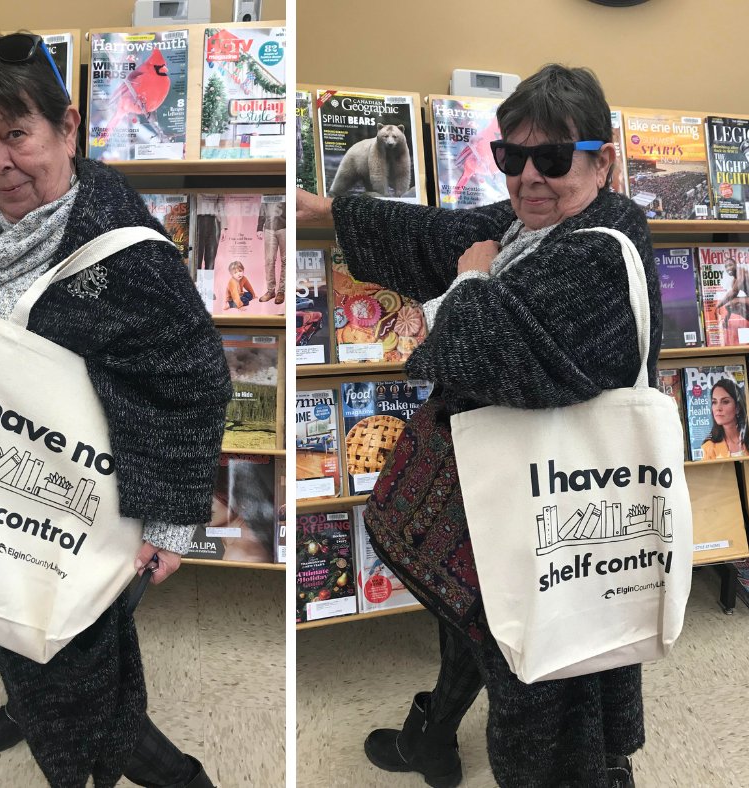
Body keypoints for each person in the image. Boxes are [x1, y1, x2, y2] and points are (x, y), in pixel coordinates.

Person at [0, 32, 232, 788]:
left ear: (67, 128)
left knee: (72, 674)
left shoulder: (127, 254)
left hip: (70, 506)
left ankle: (174, 774)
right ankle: (26, 694)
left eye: (16, 135)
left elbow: (193, 383)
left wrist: (171, 524)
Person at [298, 64, 662, 788]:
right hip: (493, 517)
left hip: (555, 534)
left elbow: (478, 348)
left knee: (549, 710)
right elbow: (447, 230)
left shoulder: (598, 254)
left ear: (604, 162)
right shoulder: (538, 225)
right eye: (511, 156)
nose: (528, 176)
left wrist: (470, 279)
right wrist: (327, 212)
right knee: (474, 629)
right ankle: (433, 735)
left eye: (553, 159)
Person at [700, 378, 749, 460]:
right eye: (714, 402)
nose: (718, 408)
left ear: (737, 407)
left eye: (725, 402)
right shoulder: (709, 447)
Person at [256, 196, 286, 305]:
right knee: (269, 260)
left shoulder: (285, 189)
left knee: (286, 260)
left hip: (285, 227)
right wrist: (259, 227)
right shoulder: (267, 191)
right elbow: (262, 209)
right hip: (269, 228)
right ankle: (270, 291)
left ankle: (281, 291)